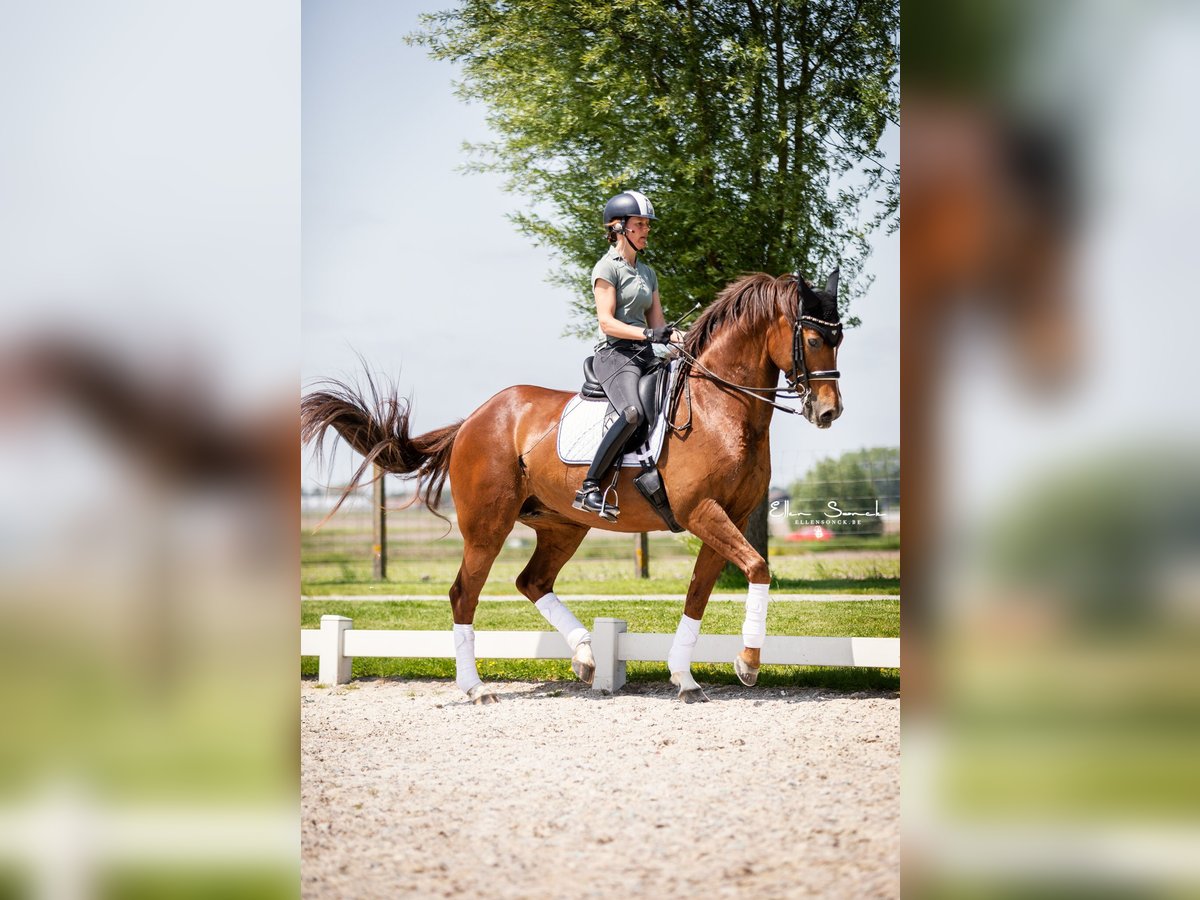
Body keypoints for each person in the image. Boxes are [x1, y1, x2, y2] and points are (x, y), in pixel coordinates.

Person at [572, 190, 683, 520]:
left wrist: (689, 341)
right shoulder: (607, 268)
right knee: (632, 413)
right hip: (616, 356)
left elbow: (660, 326)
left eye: (648, 224)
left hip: (646, 355)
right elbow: (607, 322)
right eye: (640, 224)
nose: (647, 229)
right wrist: (650, 335)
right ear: (619, 228)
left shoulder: (648, 274)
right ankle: (589, 487)